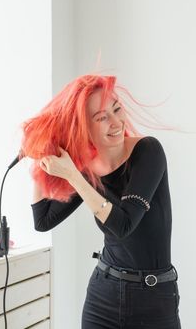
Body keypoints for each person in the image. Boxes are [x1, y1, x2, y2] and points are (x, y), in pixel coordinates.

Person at [21, 74, 181, 329]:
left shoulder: (148, 152)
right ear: (85, 127)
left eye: (116, 109)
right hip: (103, 295)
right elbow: (42, 220)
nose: (116, 122)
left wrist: (72, 174)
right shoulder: (86, 171)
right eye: (102, 117)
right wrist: (42, 154)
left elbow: (124, 224)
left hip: (153, 298)